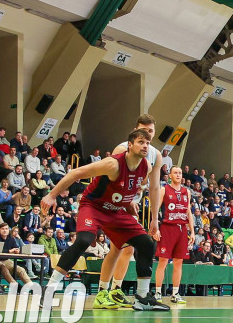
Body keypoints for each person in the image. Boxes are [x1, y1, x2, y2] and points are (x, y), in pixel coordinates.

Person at [40, 127, 167, 311]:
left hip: (116, 211)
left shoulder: (146, 166)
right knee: (83, 240)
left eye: (147, 143)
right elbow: (75, 173)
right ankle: (49, 290)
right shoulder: (112, 164)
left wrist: (128, 202)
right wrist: (52, 195)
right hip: (94, 206)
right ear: (129, 146)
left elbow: (127, 186)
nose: (145, 146)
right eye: (141, 142)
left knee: (147, 243)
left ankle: (142, 297)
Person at [102, 116, 165, 308]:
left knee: (125, 248)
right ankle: (105, 291)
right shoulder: (122, 149)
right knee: (118, 247)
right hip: (113, 204)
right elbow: (109, 181)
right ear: (135, 131)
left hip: (131, 204)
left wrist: (155, 218)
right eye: (143, 130)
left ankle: (113, 290)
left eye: (151, 131)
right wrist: (124, 201)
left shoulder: (155, 155)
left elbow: (154, 188)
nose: (147, 133)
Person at [154, 166, 194, 304]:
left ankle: (175, 293)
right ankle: (158, 292)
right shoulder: (164, 189)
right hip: (167, 228)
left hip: (182, 229)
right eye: (175, 173)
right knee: (163, 261)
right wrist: (155, 228)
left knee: (179, 262)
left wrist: (192, 231)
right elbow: (156, 208)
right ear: (170, 175)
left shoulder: (186, 192)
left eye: (180, 173)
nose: (178, 175)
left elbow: (188, 212)